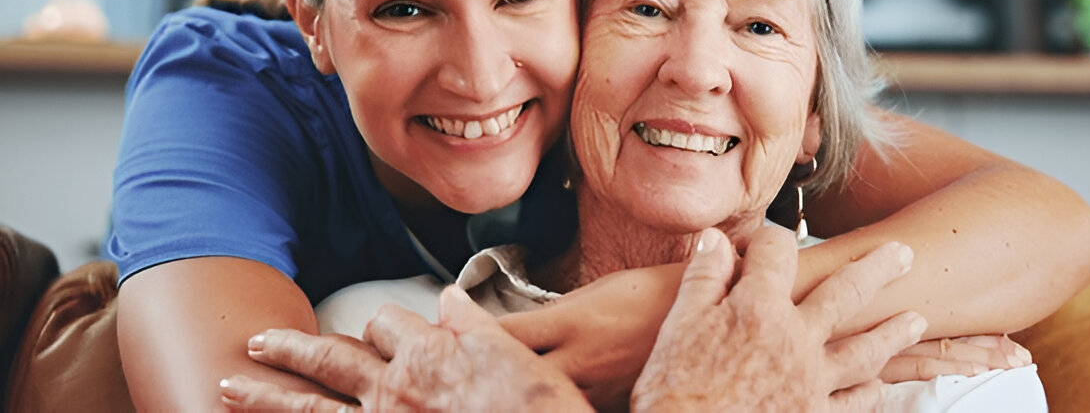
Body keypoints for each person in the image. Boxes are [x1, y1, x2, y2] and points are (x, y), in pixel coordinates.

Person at [105, 0, 1090, 411]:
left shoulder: (712, 116)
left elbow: (1059, 229)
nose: (483, 69)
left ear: (566, 1)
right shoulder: (234, 99)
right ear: (313, 20)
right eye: (404, 7)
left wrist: (660, 314)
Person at [219, 229, 925, 411]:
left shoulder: (939, 365)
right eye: (646, 9)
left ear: (812, 120)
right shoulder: (381, 330)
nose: (699, 68)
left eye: (760, 27)